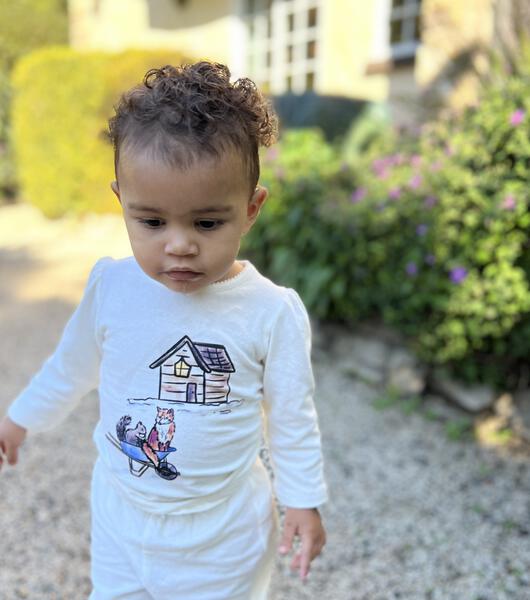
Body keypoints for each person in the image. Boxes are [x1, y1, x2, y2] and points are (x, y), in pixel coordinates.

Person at [0, 61, 327, 599]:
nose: (179, 245)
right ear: (121, 203)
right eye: (151, 222)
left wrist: (303, 500)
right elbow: (72, 366)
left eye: (206, 223)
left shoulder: (269, 312)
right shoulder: (113, 288)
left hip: (222, 535)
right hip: (121, 516)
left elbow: (292, 417)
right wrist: (19, 419)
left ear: (250, 209)